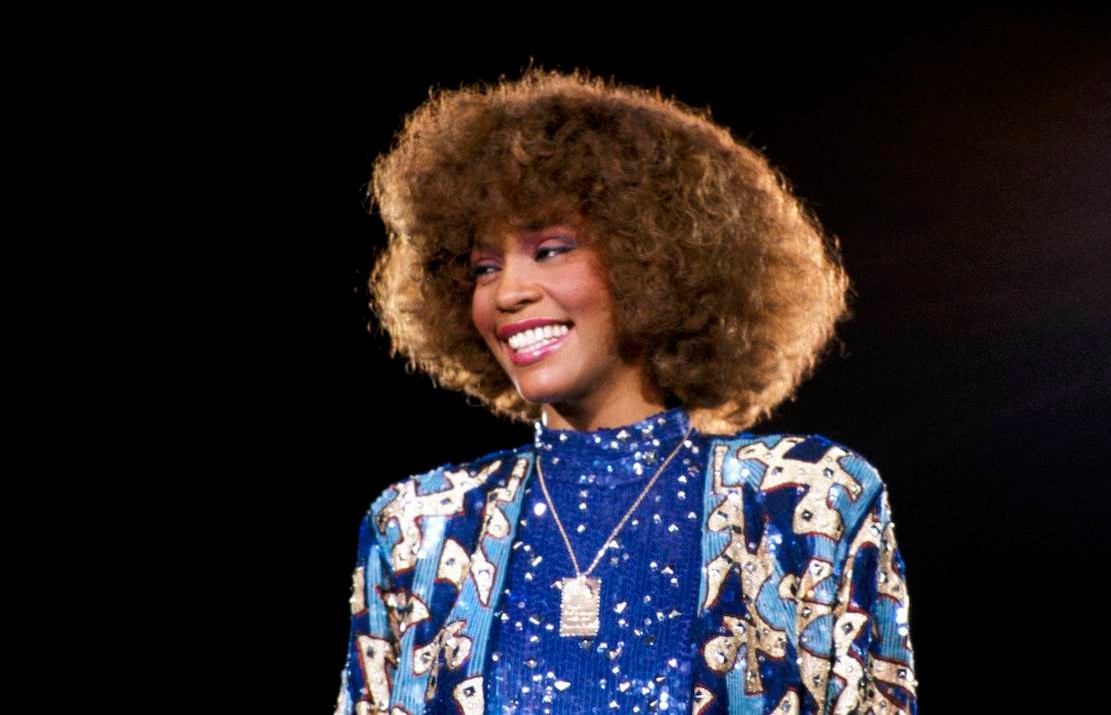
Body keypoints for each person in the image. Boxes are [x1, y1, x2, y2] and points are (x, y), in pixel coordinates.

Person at [334, 69, 917, 714]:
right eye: (484, 267)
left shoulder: (806, 501)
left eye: (551, 249)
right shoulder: (419, 527)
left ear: (658, 260)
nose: (506, 293)